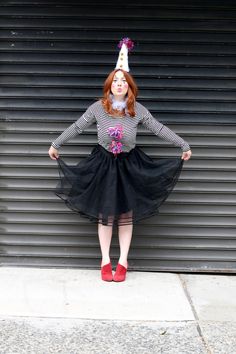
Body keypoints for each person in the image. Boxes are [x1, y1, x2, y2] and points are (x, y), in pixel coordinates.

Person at [48, 38, 192, 283]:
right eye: (115, 80)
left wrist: (183, 144)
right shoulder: (97, 108)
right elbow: (77, 126)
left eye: (123, 81)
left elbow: (158, 128)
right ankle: (105, 260)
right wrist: (56, 143)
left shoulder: (138, 110)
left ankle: (123, 261)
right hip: (103, 164)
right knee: (106, 214)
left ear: (129, 86)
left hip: (129, 165)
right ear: (109, 84)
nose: (118, 84)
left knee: (125, 215)